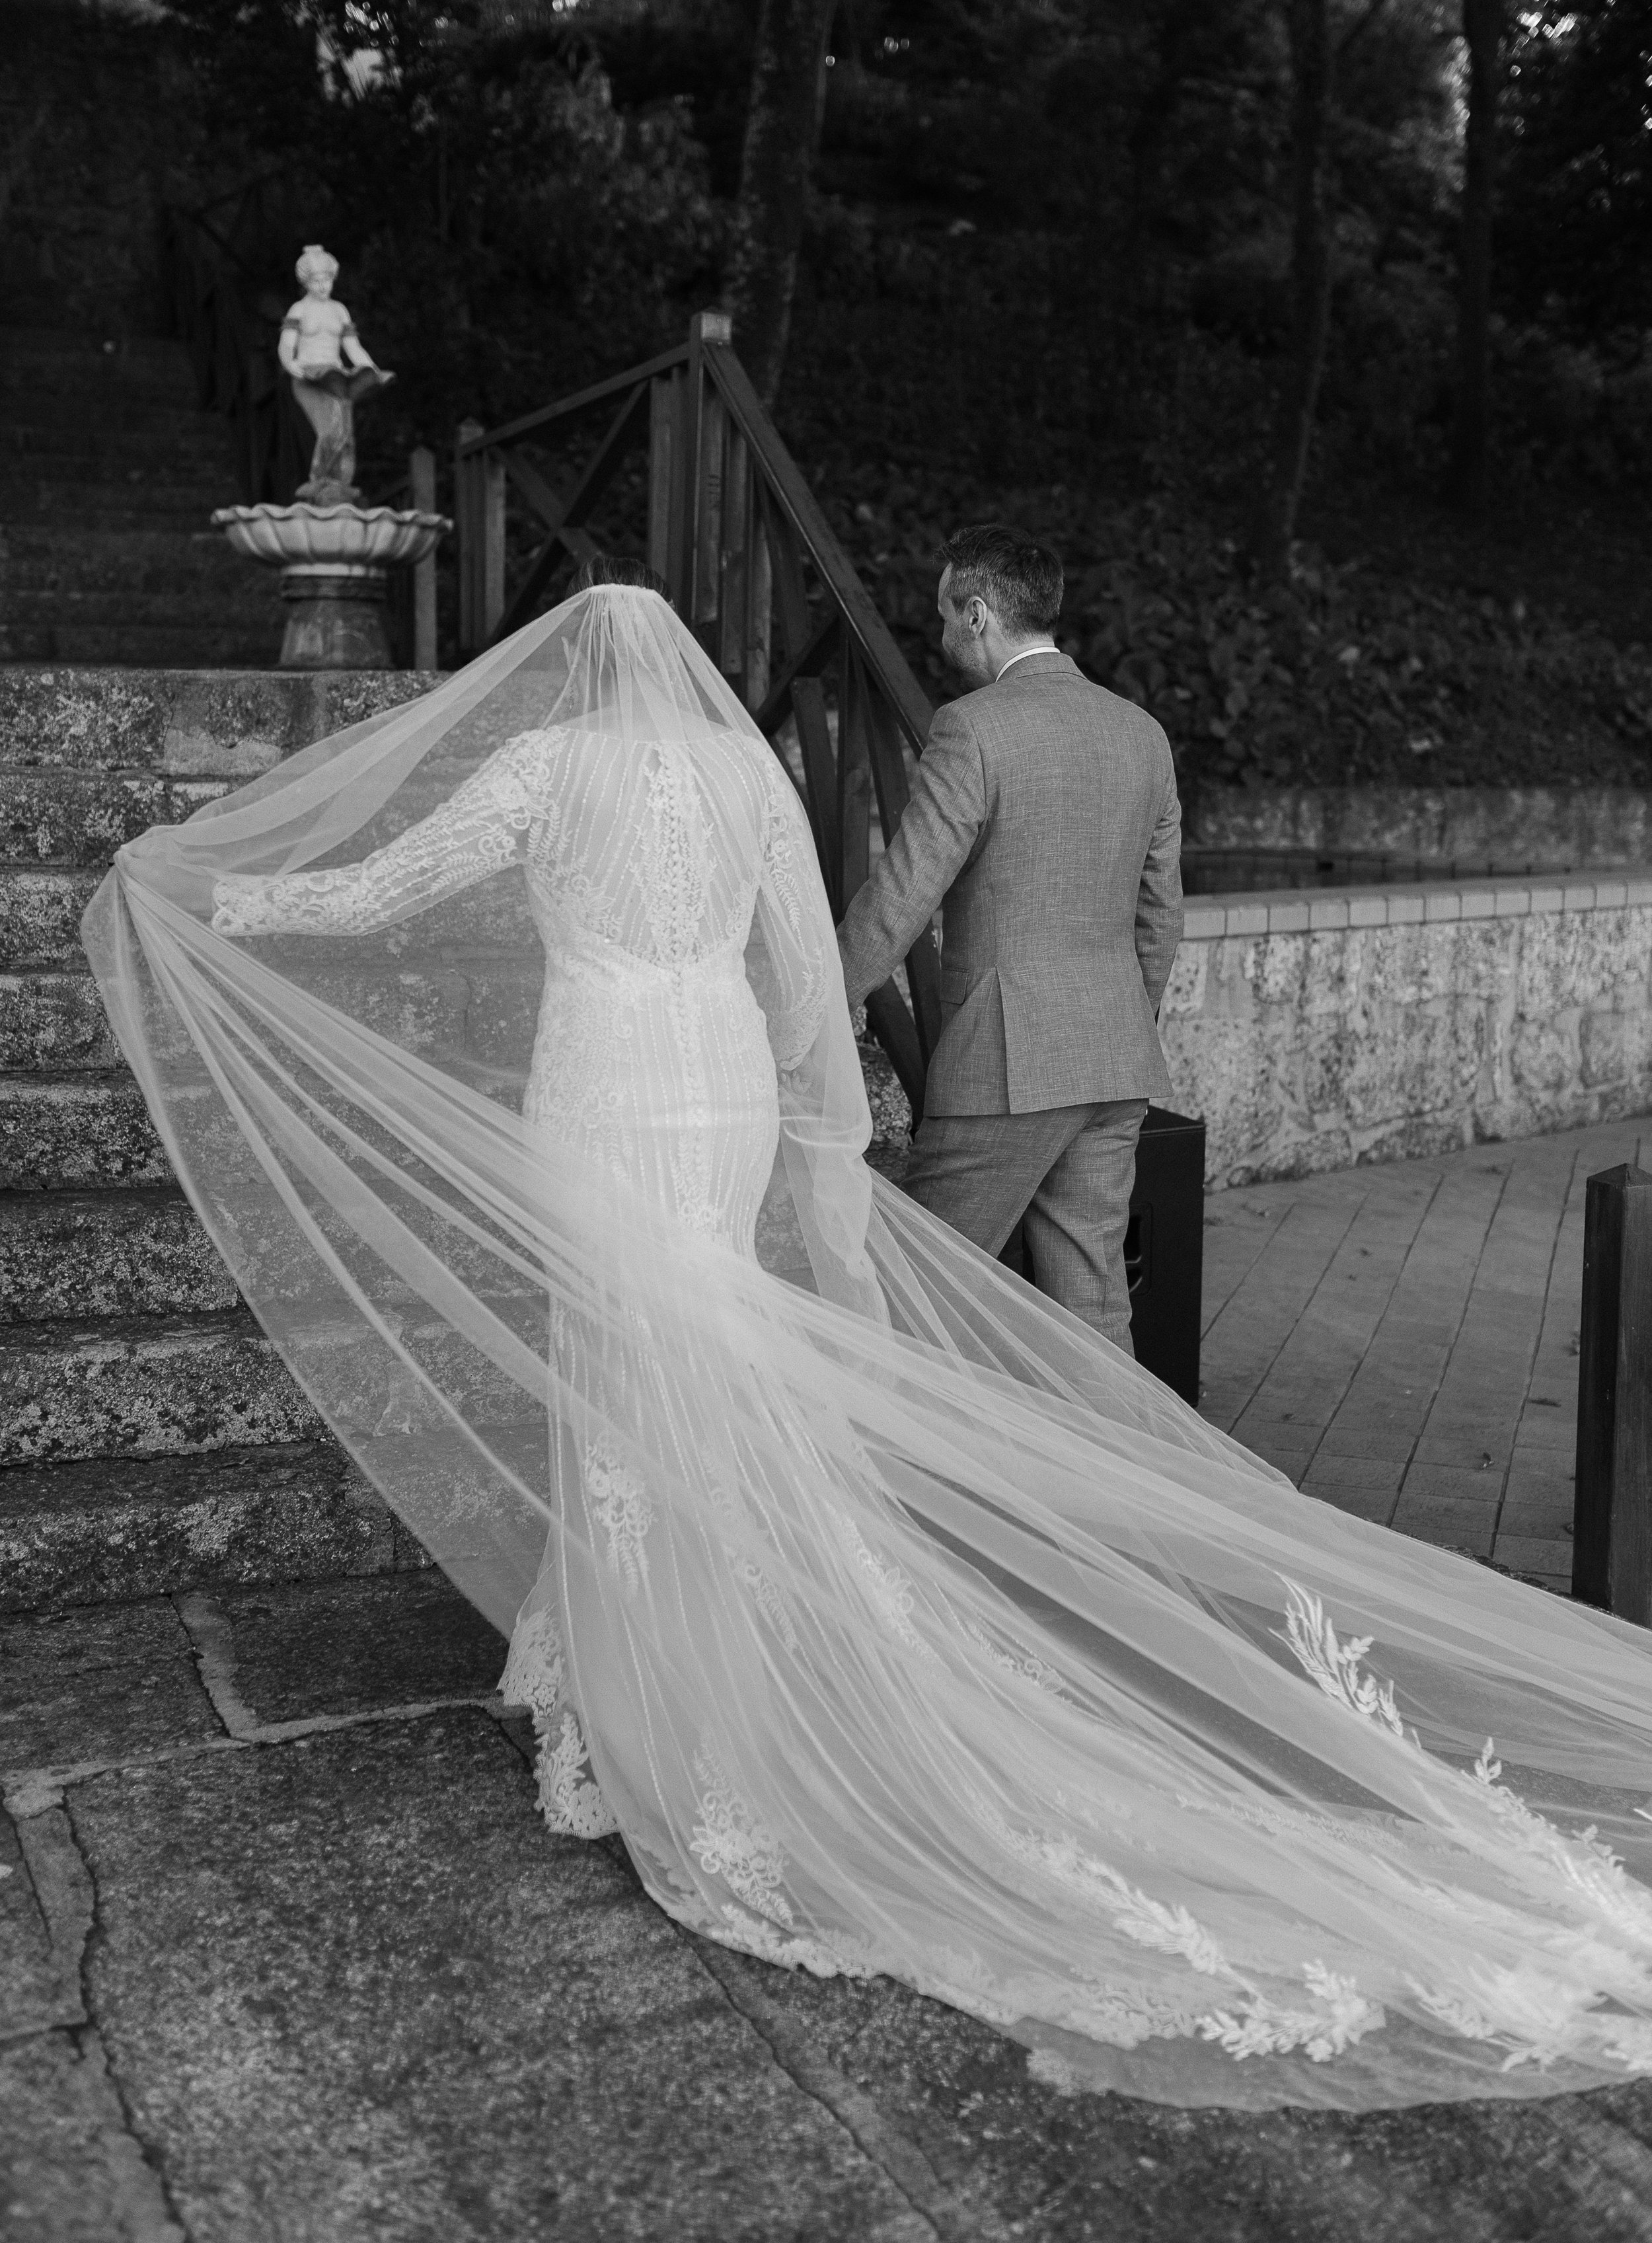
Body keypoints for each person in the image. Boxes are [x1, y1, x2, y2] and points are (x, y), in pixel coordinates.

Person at [84, 556, 1652, 2112]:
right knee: (746, 1342)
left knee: (625, 1361)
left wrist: (211, 883)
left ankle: (652, 1687)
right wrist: (813, 1109)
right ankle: (672, 1631)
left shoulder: (546, 761)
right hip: (732, 1074)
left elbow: (382, 888)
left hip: (610, 1077)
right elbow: (816, 945)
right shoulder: (749, 764)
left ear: (564, 660)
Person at [838, 523, 1181, 1355]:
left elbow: (903, 892)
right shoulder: (1141, 732)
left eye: (948, 614)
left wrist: (820, 999)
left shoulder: (973, 728)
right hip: (1115, 1057)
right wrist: (1125, 1018)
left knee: (915, 1282)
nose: (942, 631)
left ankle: (901, 1477)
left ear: (981, 613)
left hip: (1007, 1061)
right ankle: (1114, 1481)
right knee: (1092, 1311)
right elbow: (1160, 913)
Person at [278, 243, 394, 505]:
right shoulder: (299, 309)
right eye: (317, 281)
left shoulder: (339, 310)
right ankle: (318, 481)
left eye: (328, 280)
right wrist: (290, 364)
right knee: (330, 431)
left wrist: (371, 369)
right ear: (306, 282)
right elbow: (286, 344)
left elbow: (353, 347)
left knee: (346, 435)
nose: (323, 286)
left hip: (337, 379)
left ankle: (341, 484)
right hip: (309, 377)